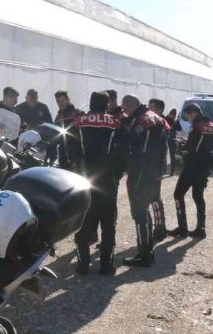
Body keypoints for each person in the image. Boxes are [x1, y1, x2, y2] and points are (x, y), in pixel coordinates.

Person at [69, 91, 121, 276]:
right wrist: (117, 173)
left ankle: (83, 265)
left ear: (90, 103)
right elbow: (122, 151)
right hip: (107, 181)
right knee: (108, 225)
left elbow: (70, 150)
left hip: (85, 180)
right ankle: (106, 265)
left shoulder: (79, 122)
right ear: (106, 105)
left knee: (83, 222)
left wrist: (76, 168)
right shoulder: (115, 123)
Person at [119, 94, 169, 267]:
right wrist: (160, 169)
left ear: (130, 105)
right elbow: (164, 147)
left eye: (124, 108)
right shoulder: (155, 118)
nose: (124, 112)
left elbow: (132, 143)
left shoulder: (142, 121)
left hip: (141, 171)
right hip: (152, 170)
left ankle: (145, 253)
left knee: (139, 212)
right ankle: (146, 250)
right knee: (144, 209)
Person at [168, 103, 213, 239]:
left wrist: (181, 144)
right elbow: (202, 145)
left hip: (192, 166)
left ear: (193, 113)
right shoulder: (211, 125)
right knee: (198, 197)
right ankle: (201, 228)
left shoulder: (197, 126)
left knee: (178, 194)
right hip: (205, 167)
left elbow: (191, 148)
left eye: (187, 115)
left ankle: (182, 228)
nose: (187, 118)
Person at [53, 90, 83, 169]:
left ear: (68, 99)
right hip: (62, 154)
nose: (61, 103)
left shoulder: (77, 113)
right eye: (58, 101)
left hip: (77, 153)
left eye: (63, 100)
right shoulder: (58, 117)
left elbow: (84, 133)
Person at [165, 108, 179, 175]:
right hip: (172, 138)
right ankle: (171, 171)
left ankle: (167, 170)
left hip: (167, 137)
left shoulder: (166, 118)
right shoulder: (175, 120)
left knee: (167, 154)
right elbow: (179, 128)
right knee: (171, 155)